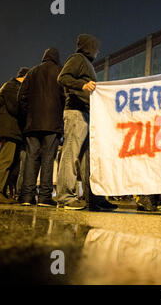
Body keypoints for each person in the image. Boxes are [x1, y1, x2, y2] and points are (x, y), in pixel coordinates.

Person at [56, 34, 117, 211]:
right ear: (89, 46)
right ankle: (65, 196)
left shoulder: (87, 63)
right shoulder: (78, 58)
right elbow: (62, 78)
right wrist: (81, 86)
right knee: (71, 155)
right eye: (96, 47)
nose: (98, 51)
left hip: (86, 113)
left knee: (87, 160)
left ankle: (93, 197)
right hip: (76, 112)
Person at [17, 48, 65, 207]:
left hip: (32, 124)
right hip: (52, 124)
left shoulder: (32, 72)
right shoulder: (60, 71)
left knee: (31, 159)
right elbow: (65, 96)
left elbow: (21, 97)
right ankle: (45, 197)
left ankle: (26, 196)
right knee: (47, 160)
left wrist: (29, 113)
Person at [0, 67, 30, 204]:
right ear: (24, 77)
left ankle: (0, 192)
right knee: (4, 161)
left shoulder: (10, 86)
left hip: (11, 130)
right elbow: (14, 107)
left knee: (9, 162)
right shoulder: (12, 86)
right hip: (9, 130)